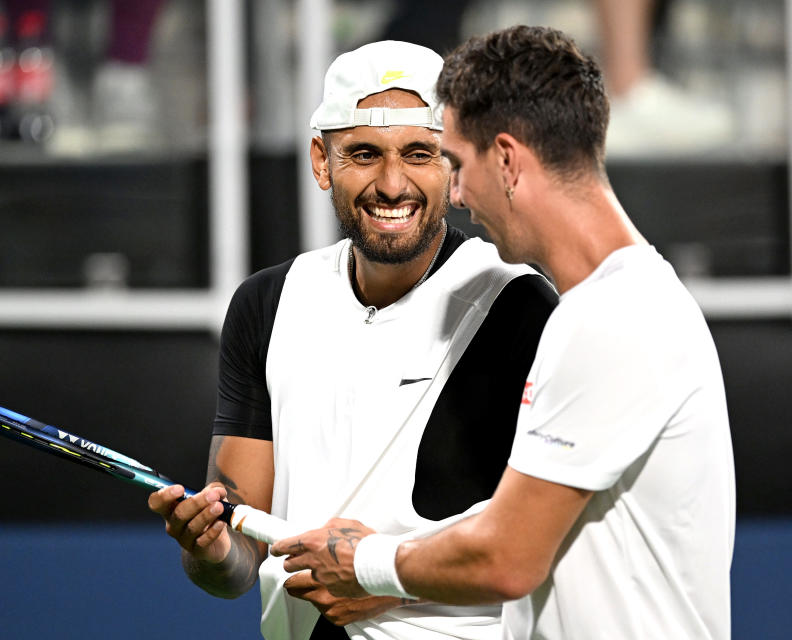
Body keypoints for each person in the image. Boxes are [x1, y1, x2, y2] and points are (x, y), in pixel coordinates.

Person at [271, 25, 736, 640]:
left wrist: (365, 563)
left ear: (509, 161)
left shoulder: (613, 318)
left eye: (455, 164)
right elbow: (514, 523)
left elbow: (507, 555)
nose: (456, 194)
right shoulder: (612, 307)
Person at [148, 40, 557, 639]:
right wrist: (210, 550)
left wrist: (387, 576)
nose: (393, 185)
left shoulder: (520, 305)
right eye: (364, 154)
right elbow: (238, 560)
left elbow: (551, 539)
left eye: (420, 153)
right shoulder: (265, 304)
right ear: (321, 161)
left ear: (453, 164)